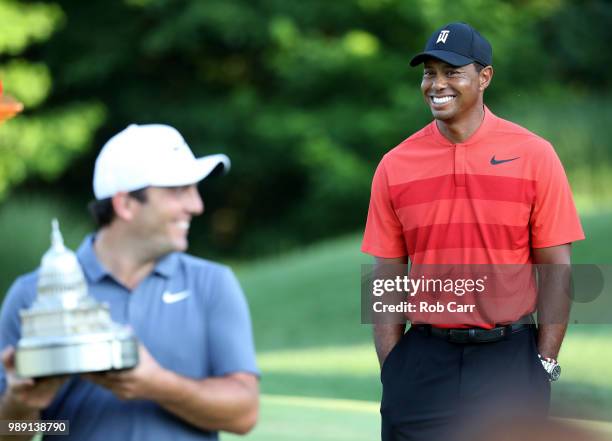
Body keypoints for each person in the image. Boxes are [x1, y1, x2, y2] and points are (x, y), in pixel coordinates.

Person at [361, 22, 585, 440]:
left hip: (509, 359)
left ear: (484, 78)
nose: (436, 84)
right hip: (422, 362)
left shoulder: (535, 155)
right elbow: (386, 275)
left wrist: (544, 362)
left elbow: (558, 266)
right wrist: (393, 368)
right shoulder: (395, 164)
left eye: (451, 72)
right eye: (429, 72)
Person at [0, 124, 259, 440]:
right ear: (125, 204)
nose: (197, 206)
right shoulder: (30, 294)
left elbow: (245, 413)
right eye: (178, 190)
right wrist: (22, 405)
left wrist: (157, 385)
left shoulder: (212, 283)